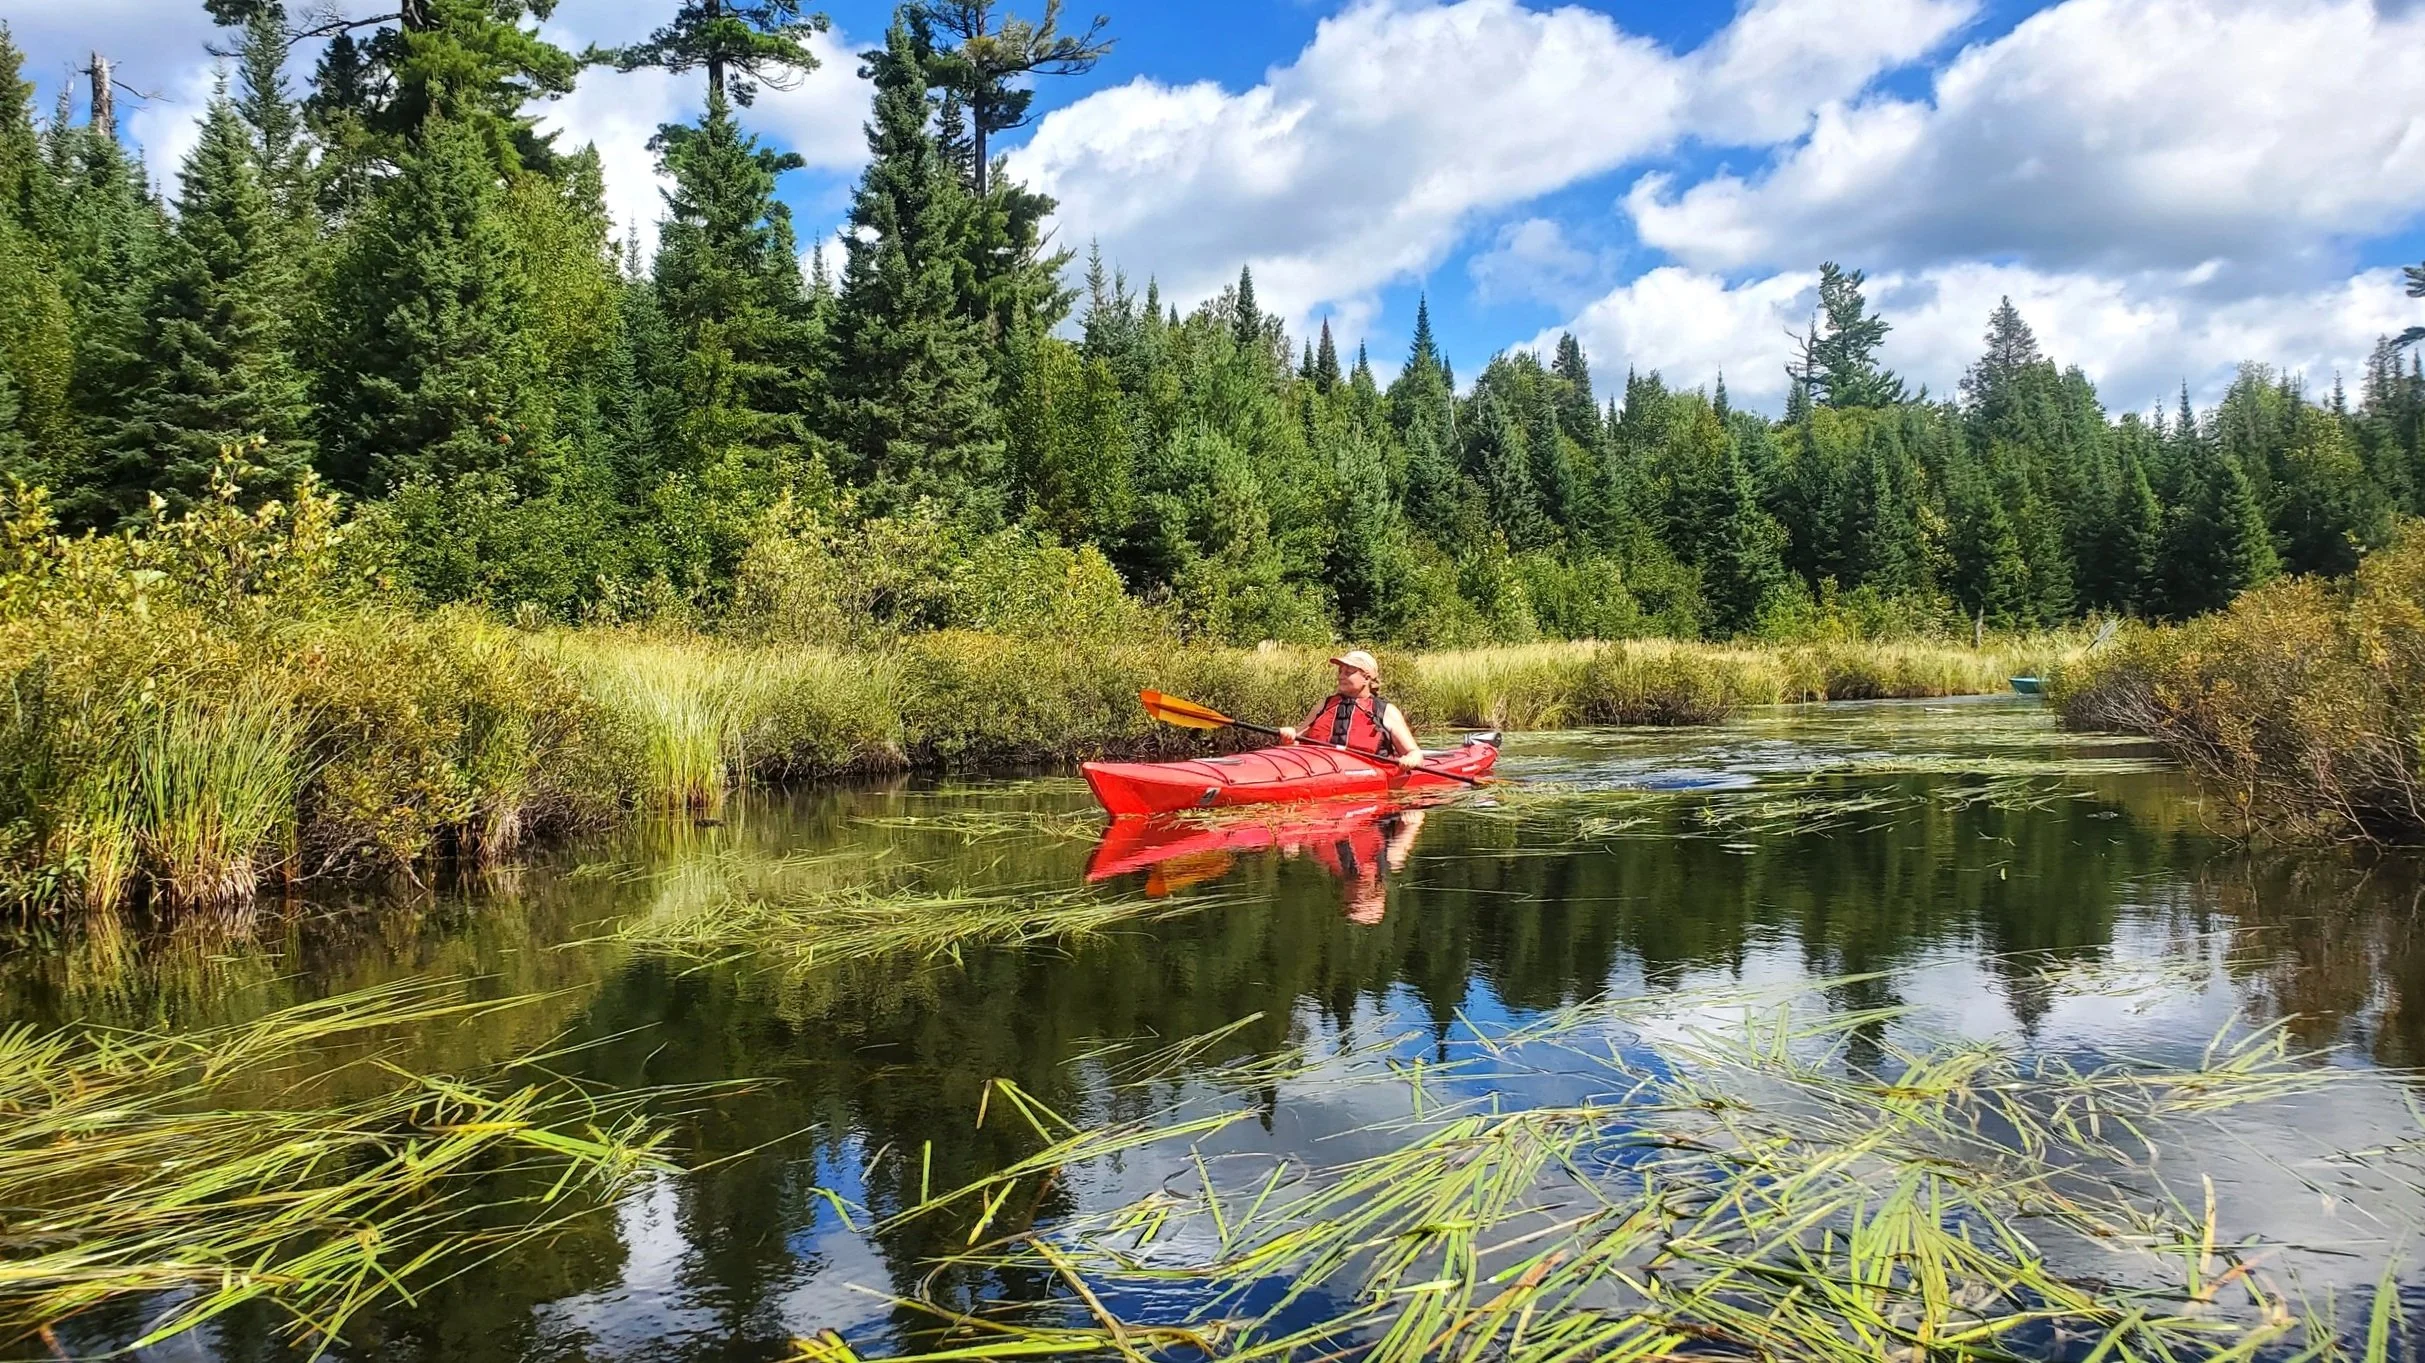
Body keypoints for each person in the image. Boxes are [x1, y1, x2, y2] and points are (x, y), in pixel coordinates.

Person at [1278, 650, 1425, 770]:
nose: (1341, 676)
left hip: (1369, 772)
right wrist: (1288, 737)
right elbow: (1296, 741)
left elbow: (1414, 753)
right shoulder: (1324, 705)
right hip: (1319, 767)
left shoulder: (1386, 711)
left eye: (1348, 672)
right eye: (1340, 671)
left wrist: (1410, 760)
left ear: (1366, 678)